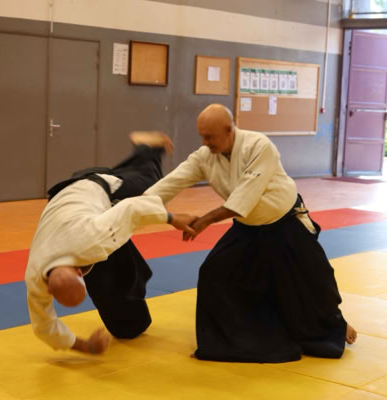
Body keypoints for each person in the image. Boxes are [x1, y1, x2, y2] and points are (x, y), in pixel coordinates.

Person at [144, 104, 357, 363]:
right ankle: (226, 343)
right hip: (248, 227)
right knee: (214, 273)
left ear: (229, 130)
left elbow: (244, 198)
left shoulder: (259, 146)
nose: (205, 142)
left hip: (285, 223)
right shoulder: (204, 157)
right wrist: (137, 206)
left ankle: (336, 325)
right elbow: (170, 183)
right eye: (202, 136)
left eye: (210, 136)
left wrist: (205, 220)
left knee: (313, 282)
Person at [25, 131, 196, 355]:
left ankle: (149, 149)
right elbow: (44, 327)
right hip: (70, 194)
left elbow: (132, 209)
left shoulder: (90, 240)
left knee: (152, 190)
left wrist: (173, 219)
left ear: (79, 272)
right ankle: (142, 150)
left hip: (96, 188)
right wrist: (86, 346)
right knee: (126, 179)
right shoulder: (35, 277)